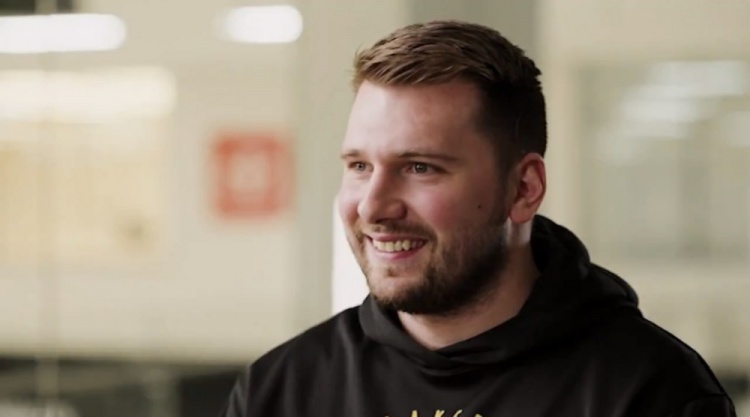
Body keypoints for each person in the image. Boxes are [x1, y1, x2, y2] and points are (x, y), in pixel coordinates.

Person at [220, 20, 736, 417]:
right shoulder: (281, 390)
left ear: (524, 188)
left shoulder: (651, 394)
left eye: (420, 167)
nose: (373, 206)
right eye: (359, 166)